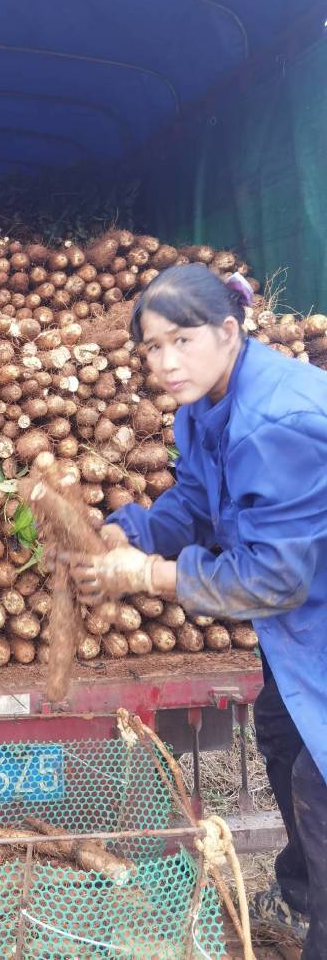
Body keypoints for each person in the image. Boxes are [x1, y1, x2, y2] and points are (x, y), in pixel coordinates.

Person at [67, 264, 327, 958]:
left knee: (317, 778)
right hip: (302, 630)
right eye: (152, 347)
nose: (165, 361)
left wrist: (149, 575)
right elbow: (193, 500)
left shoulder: (274, 420)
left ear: (228, 330)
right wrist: (135, 531)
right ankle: (306, 894)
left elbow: (274, 577)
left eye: (181, 340)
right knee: (277, 732)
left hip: (309, 611)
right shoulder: (203, 407)